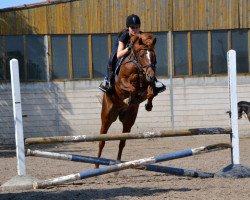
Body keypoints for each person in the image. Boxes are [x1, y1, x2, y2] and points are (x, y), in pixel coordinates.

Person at [98, 14, 166, 95]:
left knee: (151, 57)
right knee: (112, 58)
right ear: (128, 28)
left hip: (135, 54)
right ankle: (108, 81)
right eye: (132, 28)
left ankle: (154, 81)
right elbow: (119, 55)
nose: (135, 30)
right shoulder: (124, 36)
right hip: (123, 49)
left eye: (137, 27)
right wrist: (128, 48)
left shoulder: (141, 36)